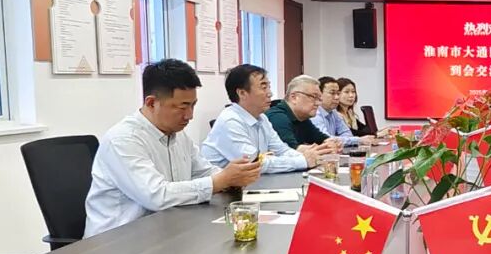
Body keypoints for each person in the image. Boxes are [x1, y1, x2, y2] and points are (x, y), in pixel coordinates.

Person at [84, 59, 261, 237]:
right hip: (118, 241)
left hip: (165, 230)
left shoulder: (178, 134)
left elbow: (203, 171)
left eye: (193, 105)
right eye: (182, 107)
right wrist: (220, 181)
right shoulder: (123, 140)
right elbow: (157, 196)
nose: (190, 115)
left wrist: (233, 178)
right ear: (151, 103)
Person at [202, 64, 332, 173]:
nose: (270, 93)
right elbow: (255, 163)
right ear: (242, 93)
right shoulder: (230, 121)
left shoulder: (262, 118)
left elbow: (281, 150)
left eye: (269, 87)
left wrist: (310, 158)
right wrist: (303, 161)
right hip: (221, 191)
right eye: (263, 87)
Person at [265, 75, 345, 150]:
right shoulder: (278, 117)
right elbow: (290, 152)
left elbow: (321, 138)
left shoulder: (302, 118)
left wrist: (332, 143)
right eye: (313, 97)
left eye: (319, 99)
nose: (318, 103)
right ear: (294, 97)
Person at [310, 76, 374, 146]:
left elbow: (347, 133)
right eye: (332, 93)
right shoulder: (315, 114)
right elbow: (326, 139)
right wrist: (358, 140)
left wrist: (343, 140)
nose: (337, 97)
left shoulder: (334, 112)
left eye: (338, 93)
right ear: (319, 95)